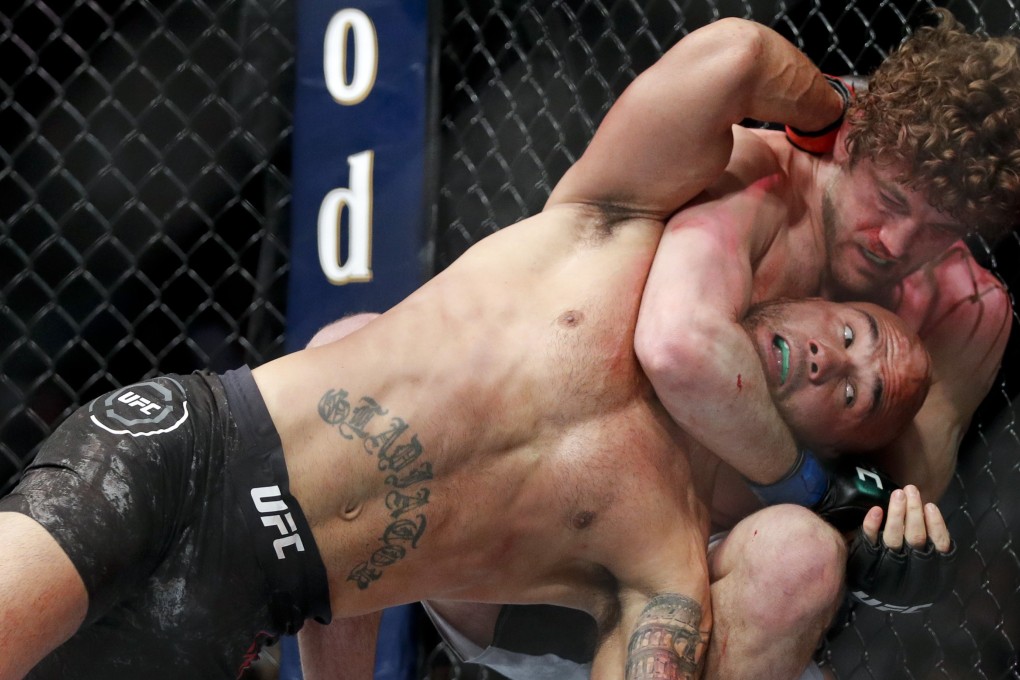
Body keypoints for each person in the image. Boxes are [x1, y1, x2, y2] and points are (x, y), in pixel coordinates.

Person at [0, 216, 932, 678]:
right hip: (203, 465)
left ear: (837, 444)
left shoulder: (768, 515)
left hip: (561, 607)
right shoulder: (690, 258)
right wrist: (837, 114)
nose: (829, 361)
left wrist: (855, 504)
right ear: (811, 293)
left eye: (853, 394)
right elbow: (718, 72)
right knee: (345, 345)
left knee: (797, 559)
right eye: (847, 332)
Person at [376, 9, 1016, 680]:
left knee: (799, 555)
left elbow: (887, 507)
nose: (895, 244)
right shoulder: (745, 177)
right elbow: (678, 343)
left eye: (940, 230)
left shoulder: (966, 314)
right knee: (357, 352)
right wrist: (806, 484)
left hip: (715, 604)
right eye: (889, 199)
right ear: (857, 137)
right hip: (531, 548)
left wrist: (897, 557)